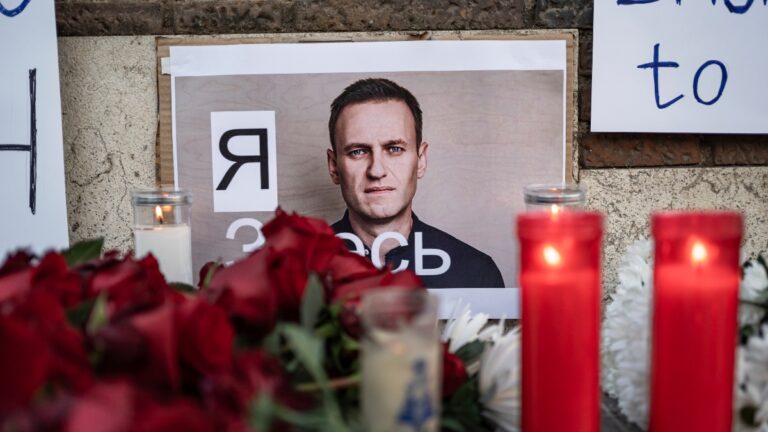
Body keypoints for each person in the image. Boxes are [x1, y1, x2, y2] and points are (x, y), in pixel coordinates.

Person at [326, 78, 504, 288]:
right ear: (334, 166)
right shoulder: (293, 273)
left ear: (421, 160)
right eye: (358, 152)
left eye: (394, 149)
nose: (377, 170)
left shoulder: (475, 273)